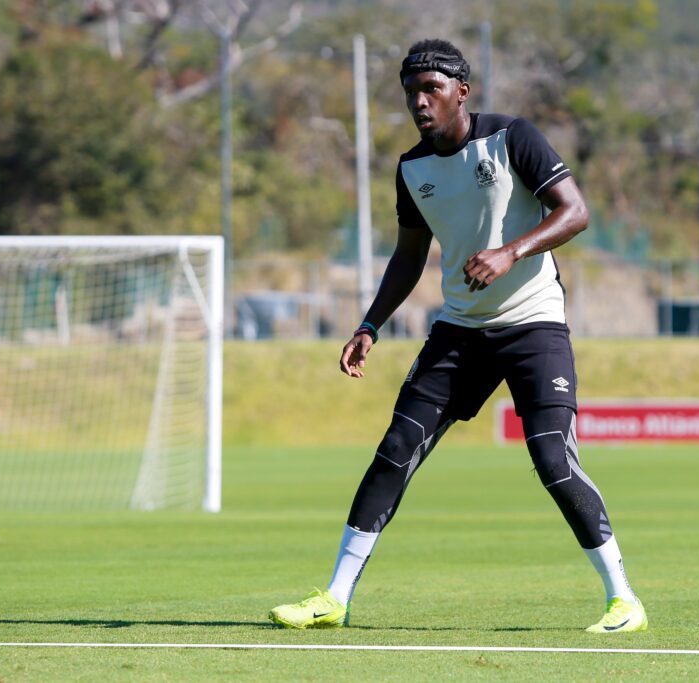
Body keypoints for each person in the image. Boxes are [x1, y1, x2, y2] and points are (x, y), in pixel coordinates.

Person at [269, 38, 647, 634]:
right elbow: (409, 255)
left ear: (461, 92)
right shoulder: (411, 168)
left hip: (533, 323)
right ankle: (334, 598)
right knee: (395, 451)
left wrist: (510, 252)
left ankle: (623, 600)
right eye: (411, 92)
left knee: (552, 459)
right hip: (460, 330)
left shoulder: (512, 136)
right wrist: (370, 324)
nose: (420, 102)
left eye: (432, 90)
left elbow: (575, 212)